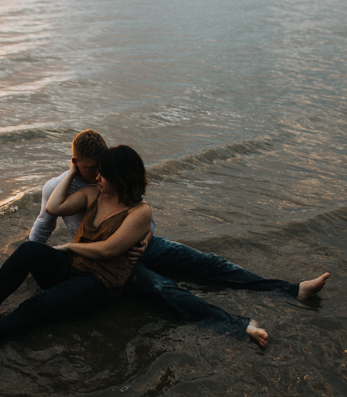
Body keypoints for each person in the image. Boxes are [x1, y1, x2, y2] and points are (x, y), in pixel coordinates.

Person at [27, 130, 329, 346]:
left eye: (100, 167)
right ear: (75, 161)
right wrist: (33, 262)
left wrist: (147, 236)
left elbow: (140, 210)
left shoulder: (111, 175)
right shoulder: (57, 187)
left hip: (140, 243)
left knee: (207, 262)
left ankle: (292, 290)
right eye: (90, 167)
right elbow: (44, 223)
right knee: (163, 287)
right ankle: (238, 325)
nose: (96, 175)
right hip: (112, 260)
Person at [0, 145, 154, 352]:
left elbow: (108, 251)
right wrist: (72, 171)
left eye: (104, 174)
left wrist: (69, 246)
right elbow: (53, 206)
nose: (98, 177)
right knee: (29, 249)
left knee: (35, 306)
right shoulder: (95, 194)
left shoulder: (140, 212)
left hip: (98, 285)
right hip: (72, 267)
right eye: (98, 172)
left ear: (121, 177)